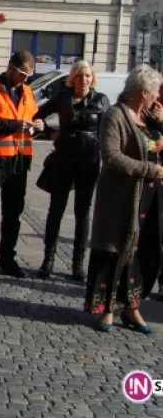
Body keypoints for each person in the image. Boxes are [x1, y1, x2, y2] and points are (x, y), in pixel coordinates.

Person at [85, 65, 163, 333]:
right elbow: (112, 156)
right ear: (143, 92)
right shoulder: (115, 116)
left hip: (150, 197)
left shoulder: (149, 118)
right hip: (122, 198)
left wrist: (161, 122)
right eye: (154, 93)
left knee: (143, 253)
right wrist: (149, 169)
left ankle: (132, 307)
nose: (157, 98)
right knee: (114, 251)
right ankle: (106, 309)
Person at [34, 60, 109, 280]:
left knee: (82, 213)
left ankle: (78, 265)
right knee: (56, 209)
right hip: (64, 159)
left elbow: (108, 130)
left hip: (89, 161)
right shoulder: (62, 98)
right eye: (79, 75)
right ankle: (47, 261)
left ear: (92, 78)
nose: (83, 80)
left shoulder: (100, 100)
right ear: (72, 78)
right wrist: (50, 133)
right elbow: (36, 115)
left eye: (87, 76)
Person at [0, 51, 43, 279]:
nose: (25, 79)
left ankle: (7, 258)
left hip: (19, 160)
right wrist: (16, 125)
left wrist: (37, 125)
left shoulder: (27, 91)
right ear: (11, 68)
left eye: (29, 75)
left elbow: (31, 118)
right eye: (23, 74)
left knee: (13, 212)